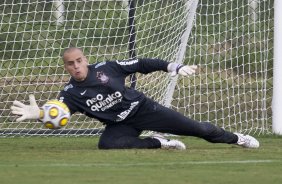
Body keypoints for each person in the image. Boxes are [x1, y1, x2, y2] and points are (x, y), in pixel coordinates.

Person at [11, 47, 259, 150]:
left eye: (78, 61)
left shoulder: (107, 68)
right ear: (66, 68)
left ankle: (238, 139)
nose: (76, 67)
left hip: (143, 108)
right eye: (70, 64)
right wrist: (40, 114)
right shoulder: (70, 94)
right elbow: (59, 112)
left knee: (198, 129)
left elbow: (141, 63)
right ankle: (160, 143)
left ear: (85, 60)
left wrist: (173, 66)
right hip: (120, 124)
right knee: (107, 145)